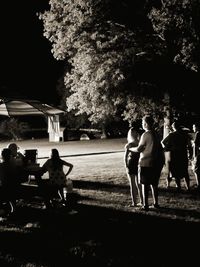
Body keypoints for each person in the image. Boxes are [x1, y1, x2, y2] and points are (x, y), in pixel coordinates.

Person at [126, 115, 164, 211]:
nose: (142, 125)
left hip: (145, 161)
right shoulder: (156, 134)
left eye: (143, 123)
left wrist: (130, 148)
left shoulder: (146, 134)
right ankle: (156, 203)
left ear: (146, 124)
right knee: (154, 184)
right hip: (155, 162)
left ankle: (145, 205)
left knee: (144, 183)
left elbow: (139, 149)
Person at [161, 120, 192, 191]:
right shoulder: (184, 134)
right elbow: (189, 144)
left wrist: (167, 148)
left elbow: (162, 142)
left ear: (174, 127)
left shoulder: (172, 135)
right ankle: (188, 187)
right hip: (183, 153)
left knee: (176, 171)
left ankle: (178, 187)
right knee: (184, 170)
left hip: (174, 154)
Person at [124, 125, 142, 207]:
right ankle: (135, 202)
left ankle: (139, 201)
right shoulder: (129, 145)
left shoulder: (139, 143)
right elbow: (125, 156)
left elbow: (126, 157)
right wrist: (126, 165)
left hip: (136, 164)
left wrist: (126, 165)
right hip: (131, 164)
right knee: (134, 184)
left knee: (137, 184)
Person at [0, 148, 22, 214]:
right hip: (14, 187)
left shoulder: (1, 166)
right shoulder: (13, 164)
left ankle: (3, 209)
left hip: (5, 188)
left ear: (2, 156)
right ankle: (13, 208)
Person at [192, 123, 200, 190]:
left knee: (196, 170)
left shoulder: (198, 134)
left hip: (198, 155)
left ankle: (198, 184)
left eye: (194, 127)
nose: (193, 128)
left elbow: (195, 146)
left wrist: (194, 156)